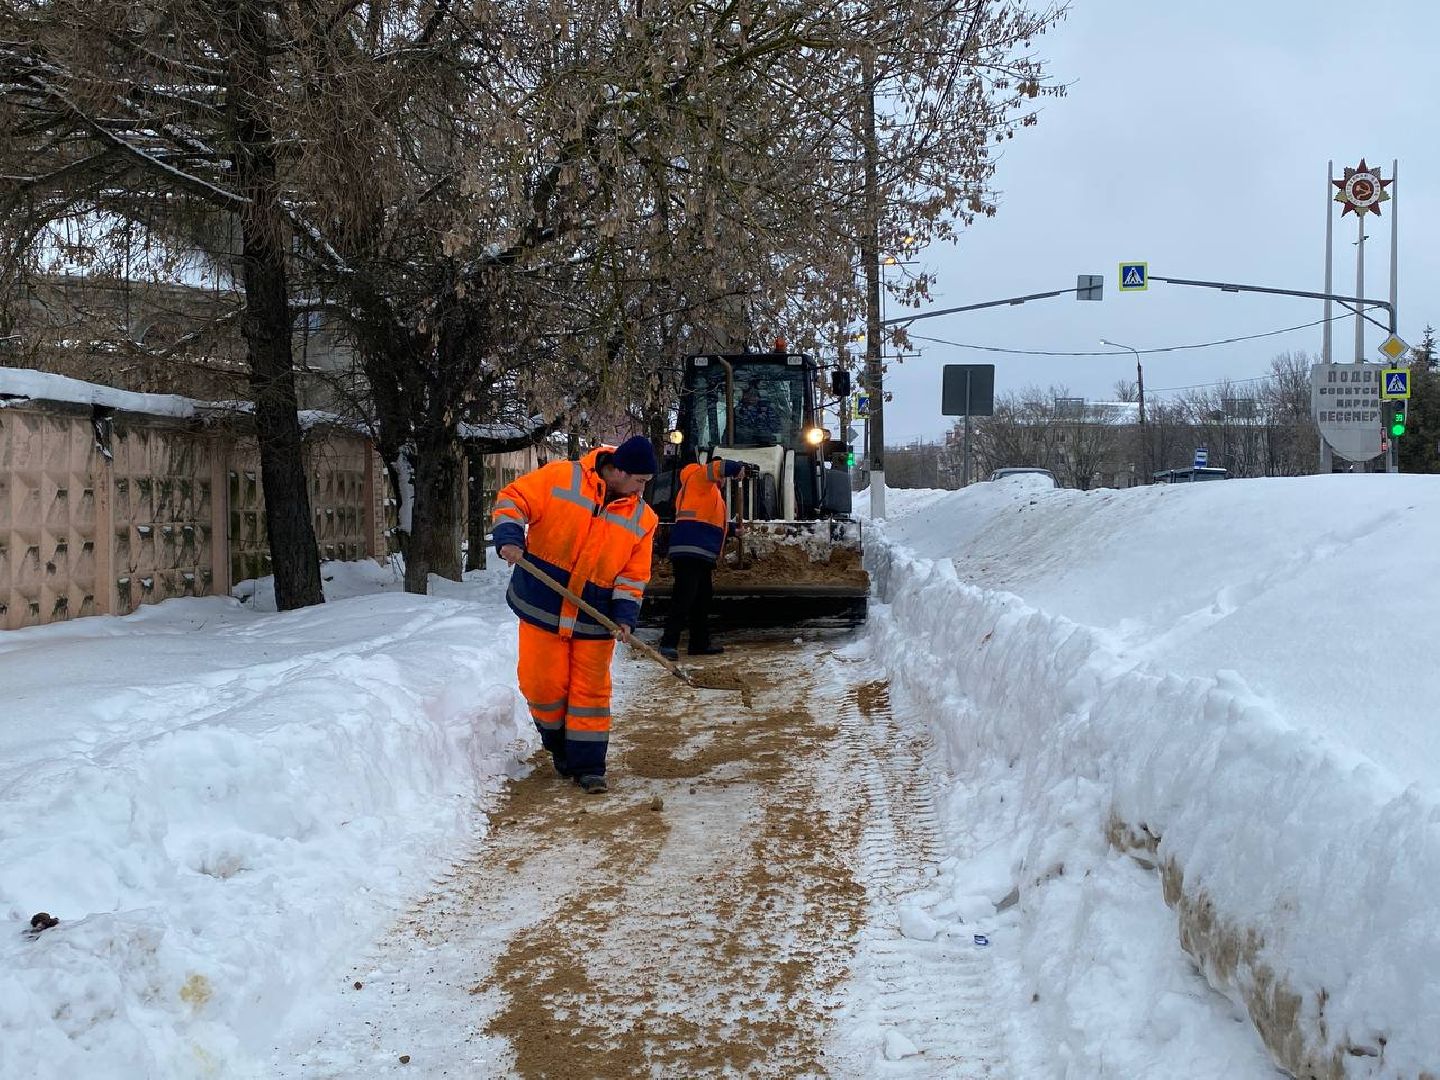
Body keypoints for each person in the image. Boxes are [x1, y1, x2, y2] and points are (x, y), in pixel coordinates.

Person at [491, 436, 659, 795]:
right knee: (542, 686)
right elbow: (513, 499)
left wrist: (625, 615)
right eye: (639, 481)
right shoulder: (561, 477)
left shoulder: (643, 518)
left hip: (596, 619)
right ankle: (560, 748)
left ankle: (589, 767)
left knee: (590, 694)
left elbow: (633, 576)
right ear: (618, 470)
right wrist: (509, 535)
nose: (642, 490)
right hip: (542, 605)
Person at [658, 456, 752, 660]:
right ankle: (668, 643)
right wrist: (737, 467)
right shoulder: (697, 478)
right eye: (723, 476)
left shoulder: (708, 493)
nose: (724, 480)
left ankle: (699, 642)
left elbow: (709, 520)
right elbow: (716, 467)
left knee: (701, 598)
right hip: (691, 549)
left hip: (700, 551)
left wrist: (733, 530)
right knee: (684, 597)